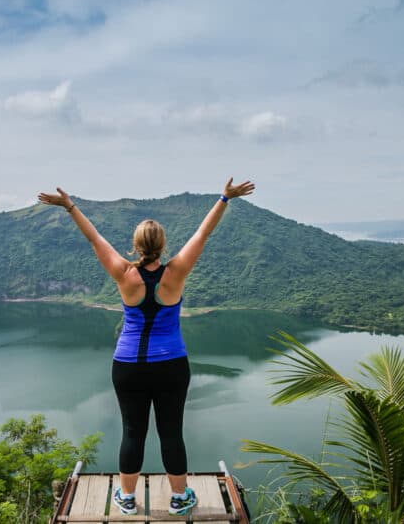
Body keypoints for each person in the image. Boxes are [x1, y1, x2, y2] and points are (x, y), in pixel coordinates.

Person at [38, 178, 255, 516]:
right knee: (171, 433)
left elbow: (93, 238)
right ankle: (180, 498)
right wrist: (225, 198)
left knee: (132, 433)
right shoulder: (176, 272)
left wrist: (69, 206)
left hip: (128, 366)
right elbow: (202, 234)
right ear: (163, 244)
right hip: (171, 366)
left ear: (135, 245)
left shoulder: (124, 274)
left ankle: (126, 498)